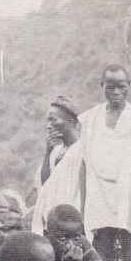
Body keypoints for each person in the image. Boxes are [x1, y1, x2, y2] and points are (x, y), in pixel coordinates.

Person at [78, 64, 131, 261]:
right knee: (102, 249)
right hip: (100, 192)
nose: (115, 92)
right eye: (109, 86)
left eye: (121, 86)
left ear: (129, 86)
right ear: (102, 86)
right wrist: (84, 203)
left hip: (129, 191)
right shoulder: (89, 119)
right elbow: (84, 163)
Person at [31, 96, 85, 234]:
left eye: (53, 120)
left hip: (72, 220)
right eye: (47, 120)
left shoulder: (82, 150)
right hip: (51, 218)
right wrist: (48, 153)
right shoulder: (55, 150)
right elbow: (44, 184)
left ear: (70, 121)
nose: (48, 125)